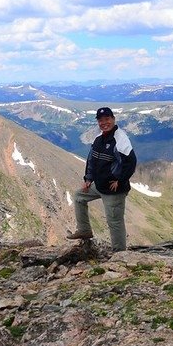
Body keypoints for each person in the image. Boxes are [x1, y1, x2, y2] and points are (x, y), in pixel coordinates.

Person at [67, 107, 137, 252]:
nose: (104, 123)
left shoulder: (120, 138)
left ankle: (120, 254)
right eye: (101, 120)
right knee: (79, 196)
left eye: (107, 119)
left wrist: (120, 180)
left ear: (113, 119)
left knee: (114, 222)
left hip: (113, 190)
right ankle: (84, 230)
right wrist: (88, 178)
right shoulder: (99, 139)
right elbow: (92, 160)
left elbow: (131, 162)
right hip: (99, 185)